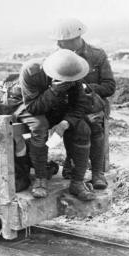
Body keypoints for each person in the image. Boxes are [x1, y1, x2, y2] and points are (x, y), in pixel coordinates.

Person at [18, 49, 96, 200]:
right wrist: (54, 91)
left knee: (83, 129)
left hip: (58, 109)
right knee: (39, 126)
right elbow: (33, 107)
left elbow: (79, 105)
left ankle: (77, 183)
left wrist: (65, 123)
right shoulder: (31, 72)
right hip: (32, 107)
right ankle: (40, 180)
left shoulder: (73, 72)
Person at [50, 18, 116, 189]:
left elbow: (109, 86)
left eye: (62, 42)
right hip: (71, 106)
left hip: (93, 104)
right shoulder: (57, 58)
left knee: (94, 124)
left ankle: (97, 173)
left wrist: (87, 88)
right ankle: (72, 162)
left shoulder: (97, 55)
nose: (58, 45)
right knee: (73, 124)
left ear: (75, 39)